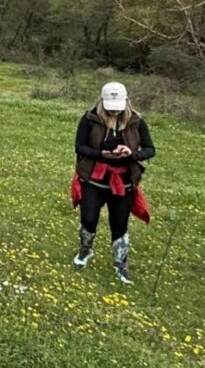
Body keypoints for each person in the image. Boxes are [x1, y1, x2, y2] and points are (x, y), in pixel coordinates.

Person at [71, 82, 154, 285]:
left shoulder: (137, 121)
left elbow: (150, 149)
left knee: (119, 224)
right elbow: (79, 147)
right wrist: (101, 154)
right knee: (88, 219)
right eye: (110, 107)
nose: (114, 111)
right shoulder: (89, 118)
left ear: (126, 102)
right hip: (94, 178)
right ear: (102, 102)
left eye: (118, 107)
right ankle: (85, 250)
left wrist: (132, 154)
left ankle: (120, 264)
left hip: (124, 181)